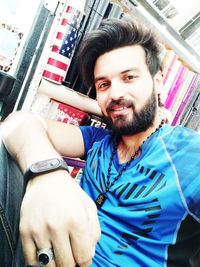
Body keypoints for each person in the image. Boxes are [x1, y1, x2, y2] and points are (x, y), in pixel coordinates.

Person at [0, 17, 200, 267]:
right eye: (104, 84)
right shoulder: (99, 141)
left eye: (129, 78)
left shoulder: (190, 154)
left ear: (157, 82)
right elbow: (20, 123)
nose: (115, 94)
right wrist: (48, 176)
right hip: (49, 253)